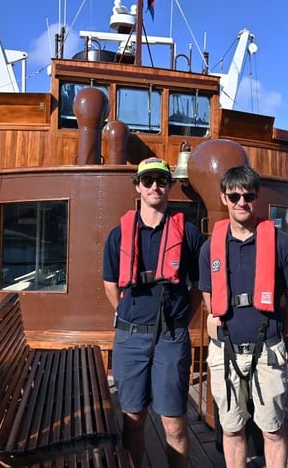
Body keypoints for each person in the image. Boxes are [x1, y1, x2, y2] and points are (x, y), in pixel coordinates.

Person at [199, 165, 288, 468]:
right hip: (225, 350)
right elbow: (209, 300)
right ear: (224, 198)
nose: (241, 202)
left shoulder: (282, 243)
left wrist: (276, 328)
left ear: (256, 197)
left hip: (268, 349)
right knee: (232, 428)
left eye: (248, 195)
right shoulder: (210, 249)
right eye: (234, 196)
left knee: (272, 429)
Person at [102, 157, 204, 468]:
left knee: (174, 422)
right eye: (148, 181)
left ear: (170, 186)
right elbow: (109, 284)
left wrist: (179, 321)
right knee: (132, 418)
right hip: (130, 338)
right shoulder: (118, 235)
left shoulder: (188, 233)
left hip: (171, 337)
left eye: (161, 180)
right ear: (138, 187)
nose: (155, 186)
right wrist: (129, 316)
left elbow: (198, 287)